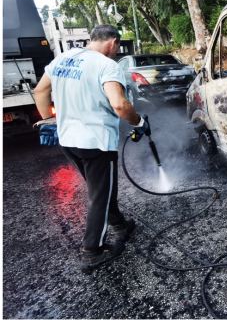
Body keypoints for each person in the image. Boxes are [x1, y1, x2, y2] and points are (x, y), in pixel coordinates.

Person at [33, 25, 150, 273]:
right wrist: (138, 122)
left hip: (68, 141)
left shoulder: (64, 58)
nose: (117, 51)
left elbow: (40, 90)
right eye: (118, 47)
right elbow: (120, 105)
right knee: (100, 195)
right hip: (96, 142)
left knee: (101, 189)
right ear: (113, 42)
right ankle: (92, 251)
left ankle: (118, 223)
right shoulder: (107, 65)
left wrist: (50, 120)